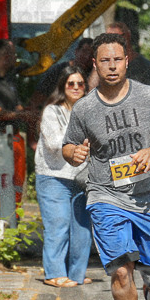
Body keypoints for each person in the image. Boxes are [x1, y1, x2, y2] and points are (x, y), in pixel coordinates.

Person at [62, 32, 150, 300]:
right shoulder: (84, 108)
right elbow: (68, 145)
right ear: (95, 65)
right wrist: (74, 153)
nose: (112, 66)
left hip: (149, 194)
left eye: (117, 59)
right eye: (105, 61)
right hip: (105, 194)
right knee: (119, 269)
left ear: (127, 61)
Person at [36, 66, 92, 287]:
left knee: (82, 228)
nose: (76, 88)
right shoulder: (52, 111)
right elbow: (53, 142)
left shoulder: (90, 110)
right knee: (58, 224)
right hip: (53, 176)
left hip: (81, 177)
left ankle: (77, 273)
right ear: (63, 86)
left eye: (80, 83)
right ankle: (54, 273)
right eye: (71, 84)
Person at [33, 37, 95, 105]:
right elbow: (38, 98)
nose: (87, 57)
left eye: (91, 55)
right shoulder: (57, 71)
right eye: (85, 51)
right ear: (76, 51)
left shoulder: (94, 75)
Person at [104, 22, 150, 90]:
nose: (111, 42)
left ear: (127, 36)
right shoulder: (105, 66)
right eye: (107, 37)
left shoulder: (145, 66)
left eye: (116, 37)